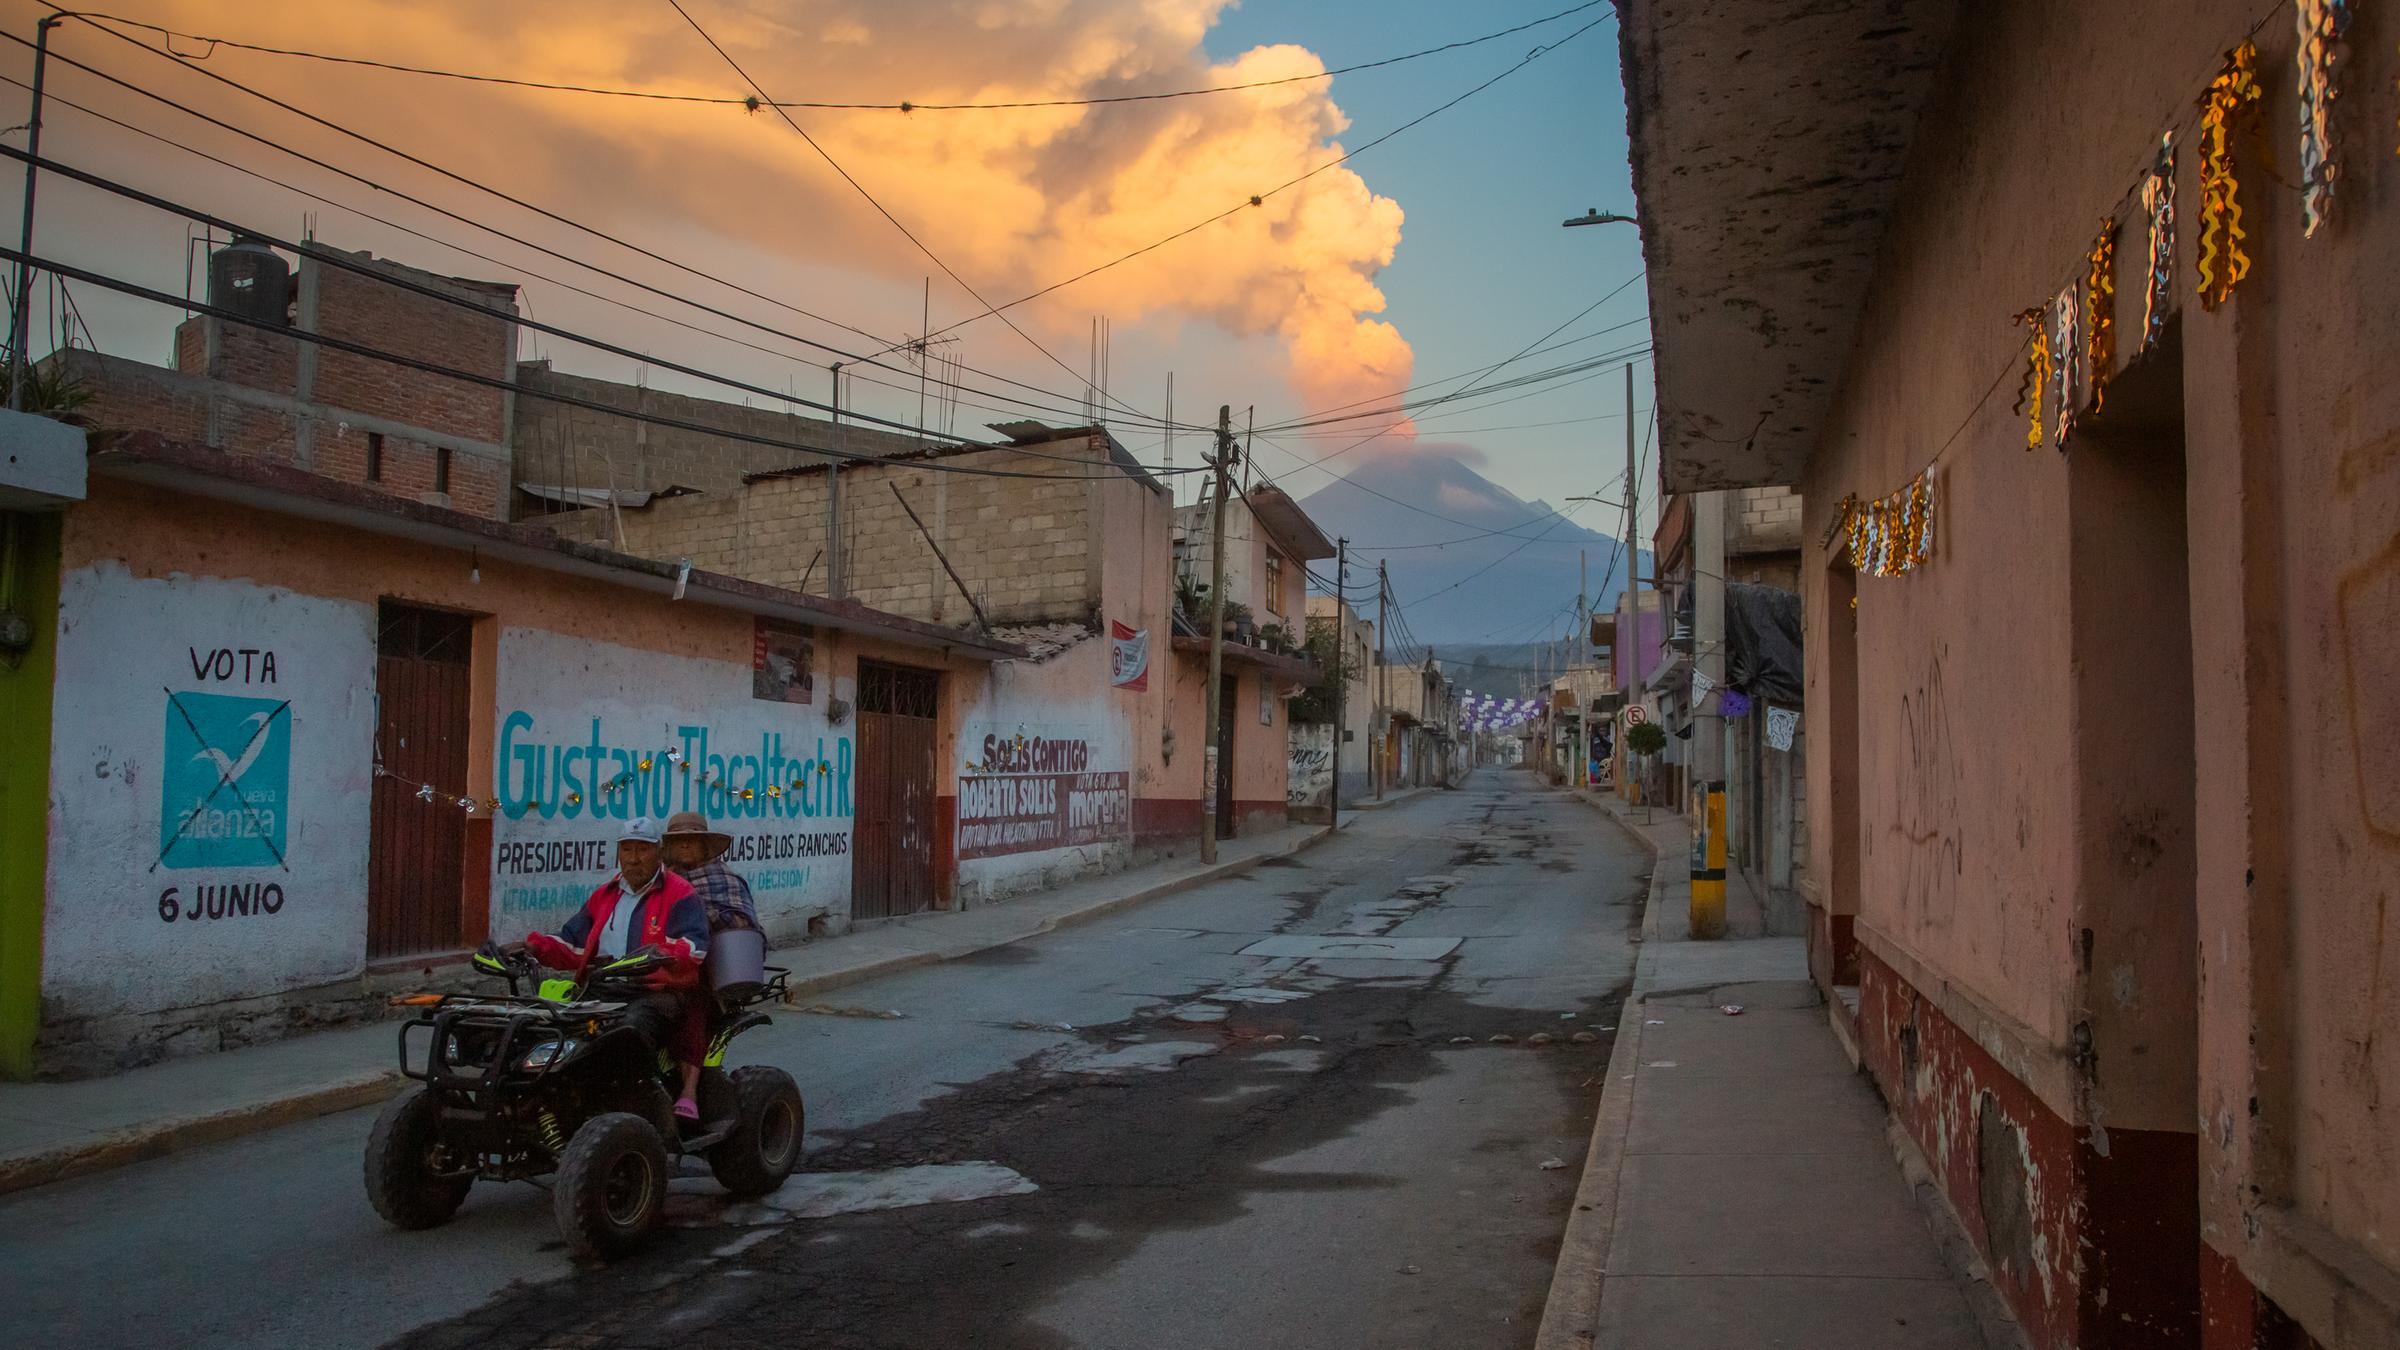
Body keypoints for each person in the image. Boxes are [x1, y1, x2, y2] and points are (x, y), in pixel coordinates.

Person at [524, 818, 712, 1122]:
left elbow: (695, 947)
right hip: (604, 989)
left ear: (659, 853)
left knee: (629, 1031)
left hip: (657, 991)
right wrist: (533, 947)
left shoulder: (681, 893)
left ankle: (641, 1105)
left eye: (643, 849)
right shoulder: (606, 894)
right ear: (618, 853)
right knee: (548, 1026)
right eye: (627, 849)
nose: (634, 858)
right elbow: (573, 942)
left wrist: (661, 954)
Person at [662, 811, 759, 934]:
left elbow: (743, 926)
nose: (685, 845)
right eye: (678, 840)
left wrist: (697, 914)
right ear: (670, 847)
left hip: (720, 948)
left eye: (692, 840)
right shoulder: (662, 878)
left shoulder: (724, 878)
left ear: (704, 846)